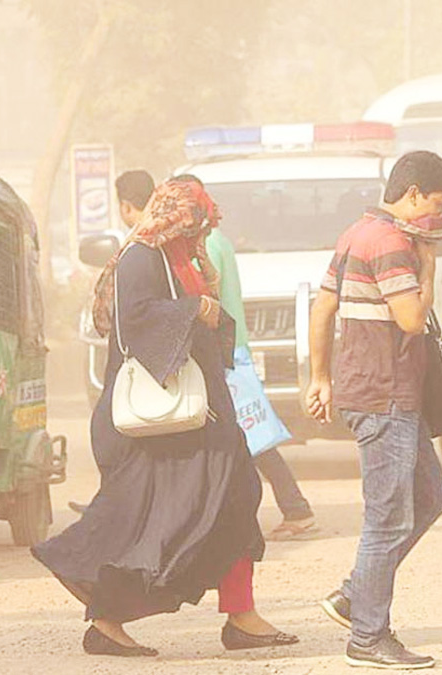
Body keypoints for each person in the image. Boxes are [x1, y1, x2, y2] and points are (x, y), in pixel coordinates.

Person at [34, 179, 298, 657]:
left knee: (236, 500)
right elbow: (135, 319)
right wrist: (196, 307)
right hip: (163, 427)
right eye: (195, 223)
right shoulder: (143, 257)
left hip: (203, 419)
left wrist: (204, 301)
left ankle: (242, 616)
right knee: (153, 522)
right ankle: (105, 617)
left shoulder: (182, 259)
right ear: (174, 217)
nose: (201, 233)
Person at [305, 151, 442, 670]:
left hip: (375, 391)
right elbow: (412, 318)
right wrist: (430, 265)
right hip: (385, 395)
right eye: (435, 204)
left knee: (431, 496)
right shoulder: (395, 244)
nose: (436, 218)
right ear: (413, 193)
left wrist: (322, 377)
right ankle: (368, 637)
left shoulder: (356, 233)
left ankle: (356, 595)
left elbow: (322, 308)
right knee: (388, 519)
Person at [172, 174, 317, 540]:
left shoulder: (206, 244)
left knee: (252, 437)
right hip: (232, 348)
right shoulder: (218, 239)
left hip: (224, 352)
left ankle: (295, 507)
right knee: (245, 435)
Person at [70, 169, 156, 514]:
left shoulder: (140, 248)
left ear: (124, 206)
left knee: (109, 431)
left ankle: (113, 510)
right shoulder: (149, 243)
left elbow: (134, 310)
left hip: (134, 359)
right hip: (139, 358)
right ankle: (112, 506)